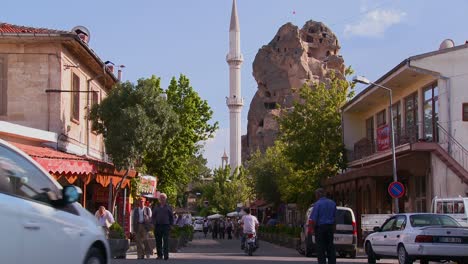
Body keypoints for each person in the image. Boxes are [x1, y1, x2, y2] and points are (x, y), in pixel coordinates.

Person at [308, 188, 337, 264]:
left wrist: (312, 230)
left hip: (320, 228)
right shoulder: (332, 203)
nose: (315, 196)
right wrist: (334, 228)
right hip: (330, 227)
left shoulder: (317, 204)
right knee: (330, 247)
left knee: (321, 248)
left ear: (318, 195)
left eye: (316, 195)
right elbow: (335, 217)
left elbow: (313, 219)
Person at [152, 193, 174, 260]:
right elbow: (153, 216)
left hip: (166, 226)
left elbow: (171, 217)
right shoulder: (156, 207)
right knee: (158, 241)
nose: (162, 199)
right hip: (158, 226)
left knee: (165, 240)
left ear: (165, 199)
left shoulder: (168, 207)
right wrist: (153, 223)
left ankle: (166, 255)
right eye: (161, 198)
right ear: (159, 199)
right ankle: (159, 255)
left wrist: (171, 225)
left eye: (163, 198)